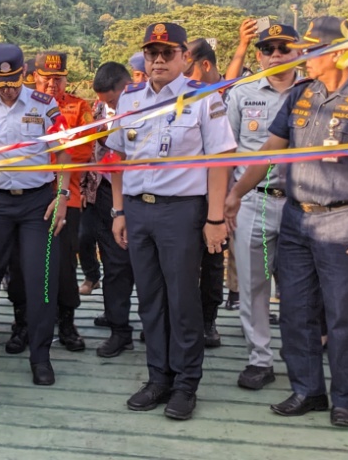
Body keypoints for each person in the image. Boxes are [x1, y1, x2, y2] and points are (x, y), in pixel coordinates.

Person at [225, 16, 348, 428]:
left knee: (341, 316)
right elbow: (271, 150)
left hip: (343, 221)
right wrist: (236, 193)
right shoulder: (301, 96)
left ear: (338, 52)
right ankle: (307, 390)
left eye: (311, 49)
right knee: (296, 311)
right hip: (296, 220)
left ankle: (343, 399)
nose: (302, 56)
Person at [108, 22, 236, 421]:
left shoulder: (203, 98)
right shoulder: (129, 100)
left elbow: (220, 162)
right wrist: (118, 211)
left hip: (181, 212)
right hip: (138, 209)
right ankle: (157, 378)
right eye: (152, 53)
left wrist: (215, 217)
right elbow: (117, 159)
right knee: (149, 299)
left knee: (182, 301)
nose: (158, 60)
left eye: (167, 53)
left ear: (185, 58)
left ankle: (185, 383)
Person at [0, 43, 69, 386]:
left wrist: (62, 195)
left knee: (40, 280)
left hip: (36, 204)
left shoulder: (44, 105)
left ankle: (40, 355)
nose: (8, 88)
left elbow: (62, 154)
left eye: (14, 80)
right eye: (0, 81)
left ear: (24, 75)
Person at [224, 23, 299, 390]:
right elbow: (224, 154)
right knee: (254, 285)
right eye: (268, 49)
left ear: (298, 51)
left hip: (303, 203)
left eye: (283, 48)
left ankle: (301, 356)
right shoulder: (242, 93)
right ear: (257, 55)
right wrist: (226, 202)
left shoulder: (314, 92)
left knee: (300, 286)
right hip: (253, 201)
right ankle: (260, 358)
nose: (275, 55)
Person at [32, 51, 92, 349]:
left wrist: (53, 154)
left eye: (58, 78)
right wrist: (60, 150)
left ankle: (67, 322)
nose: (52, 84)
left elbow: (82, 151)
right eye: (47, 78)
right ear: (35, 78)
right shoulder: (26, 104)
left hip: (68, 196)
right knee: (28, 263)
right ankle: (26, 321)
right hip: (31, 196)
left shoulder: (80, 107)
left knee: (66, 263)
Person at [80, 62, 137, 358]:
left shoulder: (149, 106)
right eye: (104, 100)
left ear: (125, 86)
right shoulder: (99, 111)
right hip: (107, 192)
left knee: (148, 264)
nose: (108, 105)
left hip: (142, 192)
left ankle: (157, 328)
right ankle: (119, 328)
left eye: (112, 99)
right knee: (114, 263)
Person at [183, 38, 228, 348]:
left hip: (222, 192)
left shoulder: (236, 91)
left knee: (213, 260)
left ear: (204, 65)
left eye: (188, 69)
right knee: (184, 260)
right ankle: (181, 320)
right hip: (188, 192)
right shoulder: (184, 96)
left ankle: (209, 320)